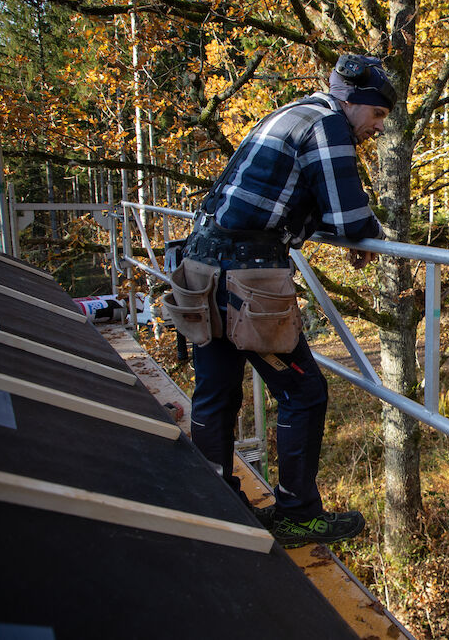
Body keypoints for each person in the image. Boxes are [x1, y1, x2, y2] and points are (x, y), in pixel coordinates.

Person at [164, 54, 394, 548]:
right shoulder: (330, 126)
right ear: (354, 101)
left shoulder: (291, 112)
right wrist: (368, 237)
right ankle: (298, 515)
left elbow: (297, 198)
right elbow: (352, 218)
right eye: (377, 115)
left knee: (216, 389)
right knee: (303, 393)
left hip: (203, 267)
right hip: (246, 281)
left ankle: (215, 497)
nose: (376, 128)